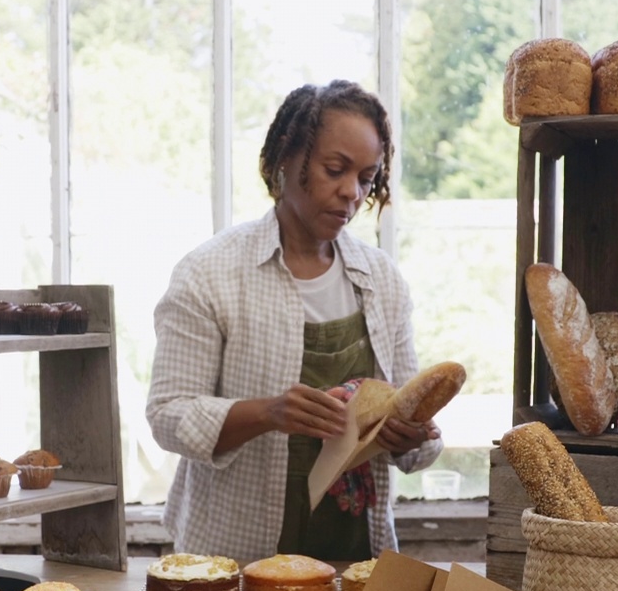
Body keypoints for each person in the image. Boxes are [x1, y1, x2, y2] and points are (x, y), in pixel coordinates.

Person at [145, 80, 443, 563]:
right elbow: (167, 415)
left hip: (355, 554)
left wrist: (410, 434)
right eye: (334, 169)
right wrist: (268, 414)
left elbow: (416, 426)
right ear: (286, 158)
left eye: (367, 177)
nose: (351, 192)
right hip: (235, 557)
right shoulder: (211, 273)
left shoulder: (382, 280)